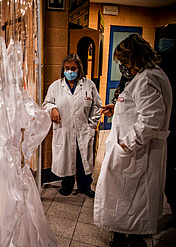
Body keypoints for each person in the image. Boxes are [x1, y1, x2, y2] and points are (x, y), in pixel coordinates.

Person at [94, 34, 172, 247]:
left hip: (137, 153)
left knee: (129, 200)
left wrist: (126, 144)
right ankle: (125, 236)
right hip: (136, 153)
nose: (122, 66)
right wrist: (116, 107)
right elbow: (139, 109)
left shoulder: (146, 79)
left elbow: (151, 120)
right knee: (129, 200)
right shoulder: (149, 76)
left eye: (124, 61)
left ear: (135, 56)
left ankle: (129, 240)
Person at [42, 53, 102, 198]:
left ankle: (85, 186)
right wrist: (53, 109)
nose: (70, 71)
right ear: (63, 69)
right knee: (66, 159)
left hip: (83, 129)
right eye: (67, 68)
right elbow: (46, 103)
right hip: (65, 129)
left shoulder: (89, 85)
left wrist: (91, 125)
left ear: (79, 69)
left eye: (73, 68)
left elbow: (97, 107)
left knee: (83, 160)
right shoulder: (56, 86)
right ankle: (66, 185)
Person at [158, 23, 176, 228]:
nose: (163, 42)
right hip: (165, 128)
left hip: (170, 126)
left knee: (169, 172)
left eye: (167, 38)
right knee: (167, 174)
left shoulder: (160, 71)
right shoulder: (160, 66)